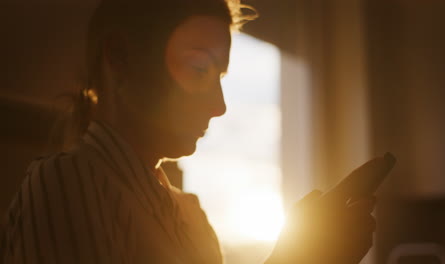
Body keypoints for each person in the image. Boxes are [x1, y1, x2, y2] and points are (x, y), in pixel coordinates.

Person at [1, 0, 383, 263]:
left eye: (220, 77)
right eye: (199, 70)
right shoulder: (68, 184)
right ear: (119, 57)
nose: (219, 106)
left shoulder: (192, 219)